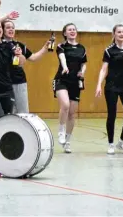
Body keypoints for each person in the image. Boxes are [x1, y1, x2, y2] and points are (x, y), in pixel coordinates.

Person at [0, 0, 49, 113]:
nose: (11, 29)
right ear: (2, 30)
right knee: (8, 112)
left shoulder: (19, 45)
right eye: (8, 28)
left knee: (23, 112)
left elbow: (33, 58)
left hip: (19, 81)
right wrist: (0, 11)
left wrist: (45, 48)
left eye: (13, 28)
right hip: (3, 82)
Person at [95, 24, 123, 154]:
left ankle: (122, 141)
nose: (121, 34)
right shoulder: (109, 50)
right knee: (112, 115)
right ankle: (111, 144)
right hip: (111, 86)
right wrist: (98, 85)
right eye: (119, 32)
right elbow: (103, 69)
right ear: (114, 34)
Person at [54, 23, 87, 153]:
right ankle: (61, 131)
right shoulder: (61, 46)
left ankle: (67, 141)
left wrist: (83, 71)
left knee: (72, 113)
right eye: (69, 30)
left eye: (74, 29)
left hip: (75, 82)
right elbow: (62, 57)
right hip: (62, 79)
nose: (72, 31)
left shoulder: (82, 48)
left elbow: (84, 64)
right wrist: (65, 66)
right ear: (65, 33)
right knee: (65, 105)